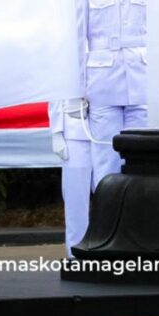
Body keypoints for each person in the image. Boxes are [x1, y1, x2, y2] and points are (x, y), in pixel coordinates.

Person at [74, 0, 147, 184]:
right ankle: (109, 224)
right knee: (106, 159)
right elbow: (78, 39)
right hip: (102, 82)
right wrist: (78, 90)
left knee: (142, 159)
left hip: (142, 80)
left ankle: (140, 224)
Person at [50, 99, 94, 257]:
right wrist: (56, 132)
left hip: (105, 131)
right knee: (76, 198)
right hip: (74, 131)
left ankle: (105, 251)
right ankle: (76, 253)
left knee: (109, 195)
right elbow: (57, 90)